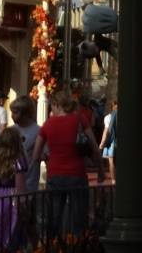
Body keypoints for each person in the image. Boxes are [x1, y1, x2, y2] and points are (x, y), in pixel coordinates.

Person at [35, 89, 97, 236]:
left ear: (56, 105)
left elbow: (36, 155)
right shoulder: (80, 119)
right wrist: (100, 168)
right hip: (77, 174)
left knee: (54, 220)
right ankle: (77, 250)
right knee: (78, 220)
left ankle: (54, 251)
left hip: (55, 175)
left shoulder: (48, 124)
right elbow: (94, 146)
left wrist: (45, 157)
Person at [0, 125, 28, 252]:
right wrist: (23, 203)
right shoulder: (17, 161)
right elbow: (20, 186)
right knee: (12, 229)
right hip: (11, 197)